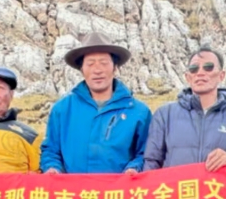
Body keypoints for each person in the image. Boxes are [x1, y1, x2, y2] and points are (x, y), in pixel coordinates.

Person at [40, 32, 152, 174]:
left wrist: (134, 168)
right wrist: (52, 168)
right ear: (81, 70)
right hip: (75, 193)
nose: (97, 70)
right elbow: (50, 150)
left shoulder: (138, 111)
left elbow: (146, 153)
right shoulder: (62, 109)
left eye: (104, 63)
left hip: (118, 194)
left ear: (115, 67)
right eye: (90, 64)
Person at [143, 46, 226, 171]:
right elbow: (151, 162)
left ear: (221, 75)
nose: (200, 73)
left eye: (208, 67)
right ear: (188, 77)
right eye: (194, 69)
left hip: (217, 190)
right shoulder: (165, 115)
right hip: (177, 190)